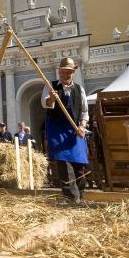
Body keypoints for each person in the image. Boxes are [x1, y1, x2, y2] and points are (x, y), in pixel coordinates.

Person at [41, 57, 89, 203]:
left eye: (69, 72)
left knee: (79, 163)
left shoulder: (79, 89)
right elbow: (44, 103)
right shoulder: (51, 86)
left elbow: (85, 112)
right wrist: (51, 99)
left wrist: (82, 126)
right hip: (57, 129)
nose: (65, 75)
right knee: (64, 162)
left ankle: (81, 195)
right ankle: (70, 197)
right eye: (63, 72)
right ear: (59, 71)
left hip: (75, 130)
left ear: (73, 72)